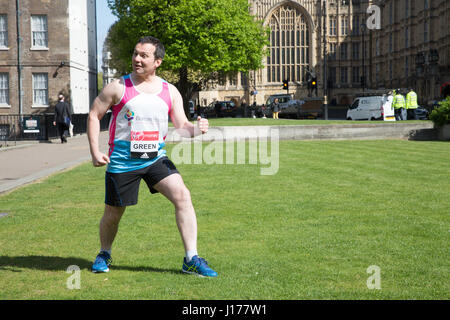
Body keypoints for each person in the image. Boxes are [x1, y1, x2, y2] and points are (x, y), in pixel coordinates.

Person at [87, 36, 218, 277]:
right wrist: (95, 151)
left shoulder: (170, 91)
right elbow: (94, 114)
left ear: (157, 61)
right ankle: (104, 253)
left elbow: (181, 125)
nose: (137, 59)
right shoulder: (118, 87)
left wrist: (196, 129)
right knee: (113, 213)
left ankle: (191, 258)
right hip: (123, 162)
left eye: (143, 55)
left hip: (155, 159)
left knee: (183, 196)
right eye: (135, 54)